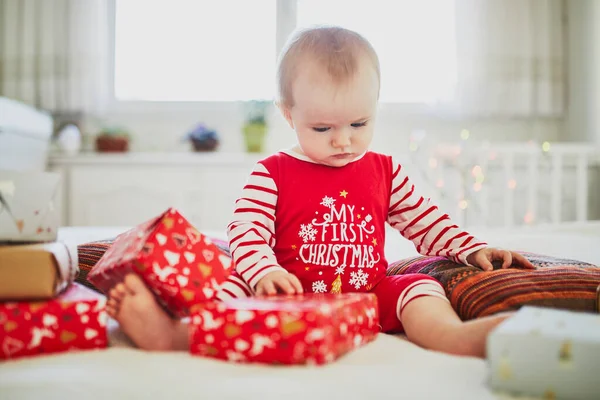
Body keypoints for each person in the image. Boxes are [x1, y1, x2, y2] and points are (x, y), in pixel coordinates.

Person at [107, 26, 535, 358]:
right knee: (232, 285)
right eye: (323, 128)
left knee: (421, 287)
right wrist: (263, 274)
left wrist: (471, 249)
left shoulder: (384, 171)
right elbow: (246, 232)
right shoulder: (272, 172)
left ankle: (450, 336)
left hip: (366, 292)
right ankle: (176, 335)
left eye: (359, 124)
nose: (343, 141)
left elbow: (427, 223)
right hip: (283, 294)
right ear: (287, 114)